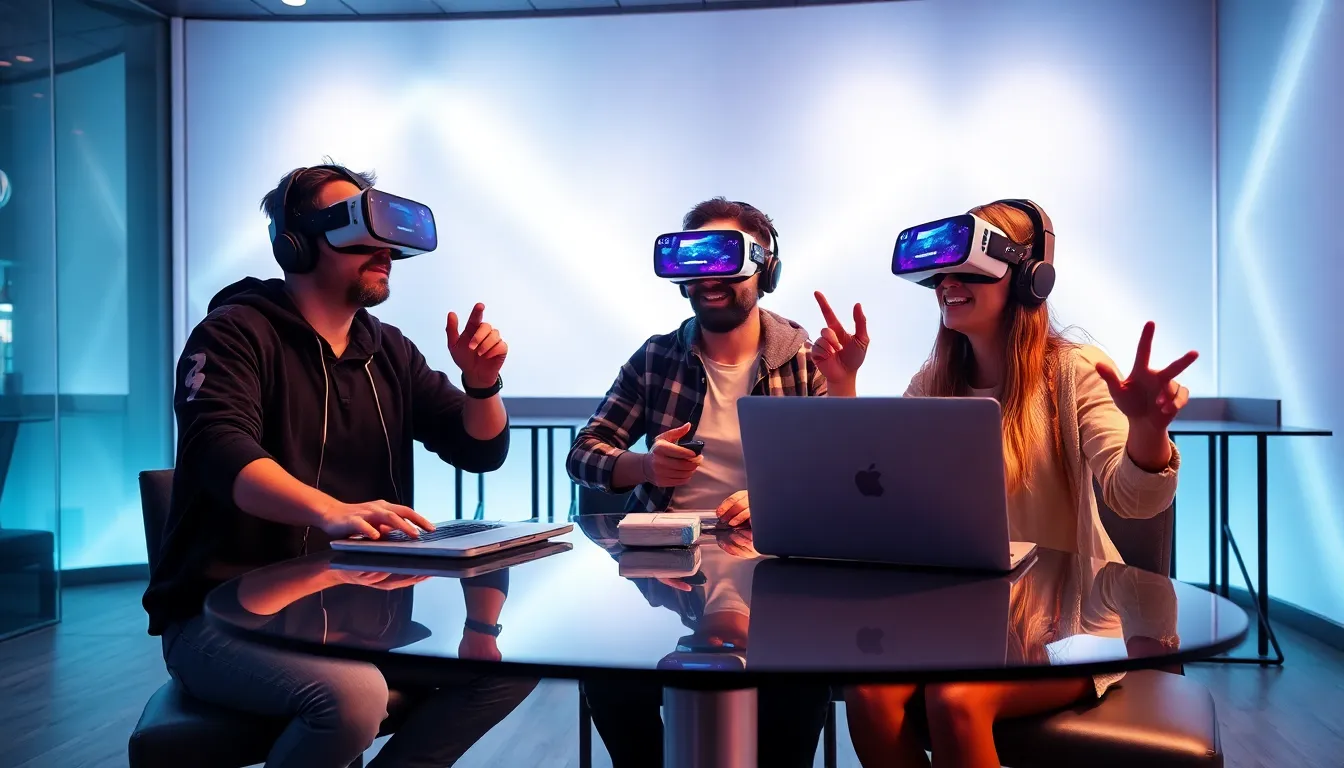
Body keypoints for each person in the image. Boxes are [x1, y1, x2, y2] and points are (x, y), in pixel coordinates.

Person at [141, 163, 536, 768]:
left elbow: (478, 449)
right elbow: (221, 448)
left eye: (385, 237)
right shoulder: (234, 334)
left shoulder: (389, 350)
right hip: (220, 620)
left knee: (513, 666)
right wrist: (333, 512)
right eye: (357, 231)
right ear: (295, 243)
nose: (383, 251)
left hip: (358, 617)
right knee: (354, 698)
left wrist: (481, 387)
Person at [836, 200, 1197, 768]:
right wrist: (843, 390)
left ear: (1031, 278)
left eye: (969, 270)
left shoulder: (1074, 369)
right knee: (867, 694)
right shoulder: (933, 381)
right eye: (941, 274)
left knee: (957, 700)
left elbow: (1136, 497)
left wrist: (1147, 431)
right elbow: (877, 488)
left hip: (1069, 632)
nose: (948, 284)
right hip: (957, 623)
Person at [566, 197, 866, 766]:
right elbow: (584, 453)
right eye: (696, 262)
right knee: (607, 677)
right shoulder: (656, 359)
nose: (710, 278)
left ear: (766, 269)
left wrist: (842, 388)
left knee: (795, 690)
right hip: (668, 571)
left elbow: (844, 473)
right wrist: (644, 467)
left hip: (783, 570)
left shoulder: (805, 359)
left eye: (726, 259)